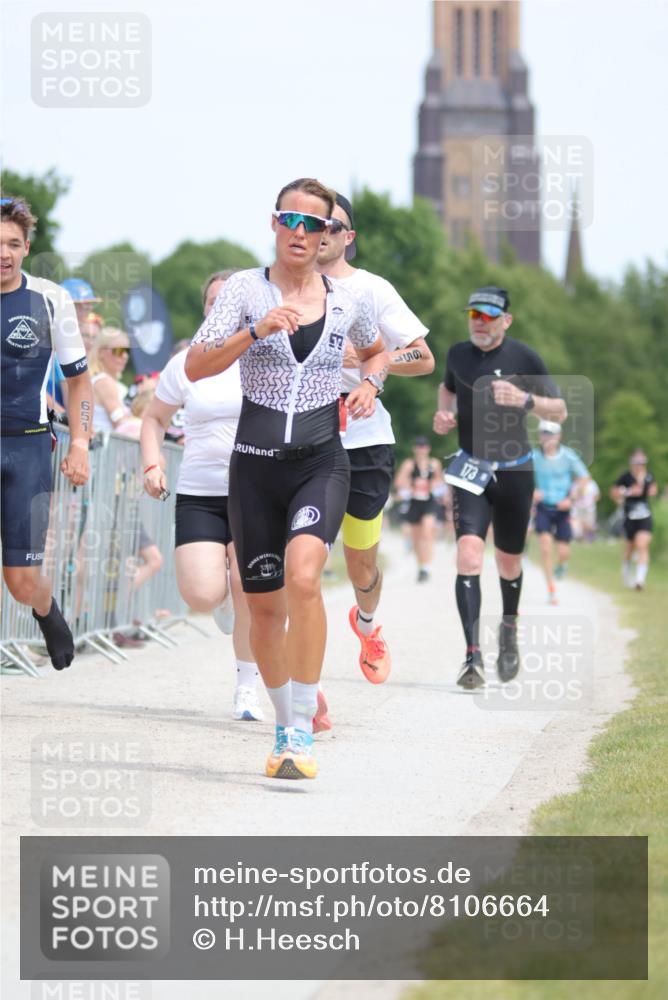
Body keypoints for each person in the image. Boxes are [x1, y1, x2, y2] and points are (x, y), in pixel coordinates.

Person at [186, 177, 388, 780]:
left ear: (330, 235)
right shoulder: (244, 291)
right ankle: (283, 728)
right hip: (253, 466)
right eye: (288, 220)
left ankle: (302, 727)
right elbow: (197, 364)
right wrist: (255, 331)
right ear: (274, 224)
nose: (300, 233)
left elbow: (377, 351)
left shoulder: (349, 301)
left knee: (305, 577)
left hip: (321, 460)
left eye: (313, 225)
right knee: (266, 610)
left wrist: (372, 385)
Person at [315, 193, 433, 683]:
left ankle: (366, 625)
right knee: (303, 564)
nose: (321, 233)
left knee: (361, 565)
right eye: (310, 223)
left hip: (364, 438)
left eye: (333, 226)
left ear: (349, 237)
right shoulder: (280, 290)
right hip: (305, 436)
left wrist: (365, 364)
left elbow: (422, 358)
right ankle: (305, 688)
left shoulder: (372, 289)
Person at [141, 268, 264, 722]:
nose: (221, 310)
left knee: (247, 586)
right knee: (201, 595)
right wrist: (152, 464)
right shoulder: (186, 363)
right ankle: (226, 593)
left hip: (254, 492)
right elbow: (153, 419)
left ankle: (247, 688)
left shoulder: (264, 357)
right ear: (205, 310)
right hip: (200, 491)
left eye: (230, 302)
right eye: (214, 302)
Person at [433, 286, 566, 689]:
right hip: (470, 469)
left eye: (489, 316)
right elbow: (447, 389)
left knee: (509, 562)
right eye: (474, 314)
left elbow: (558, 409)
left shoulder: (524, 358)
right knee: (468, 555)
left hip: (515, 471)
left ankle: (509, 627)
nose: (480, 322)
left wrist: (526, 400)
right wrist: (444, 412)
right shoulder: (457, 354)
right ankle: (472, 656)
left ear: (505, 320)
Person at [1, 195, 92, 670]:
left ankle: (44, 609)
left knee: (20, 579)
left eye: (13, 243)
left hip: (29, 448)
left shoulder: (50, 299)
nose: (4, 253)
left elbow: (79, 381)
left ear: (27, 246)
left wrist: (79, 443)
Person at [531, 420, 590, 605]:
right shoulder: (533, 456)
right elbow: (521, 478)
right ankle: (551, 590)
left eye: (550, 434)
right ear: (539, 436)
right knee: (546, 547)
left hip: (563, 509)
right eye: (543, 434)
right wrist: (532, 491)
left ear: (558, 436)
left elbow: (584, 478)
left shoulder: (568, 456)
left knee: (564, 552)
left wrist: (571, 499)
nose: (546, 438)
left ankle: (561, 565)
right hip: (543, 509)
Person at [393, 437, 443, 582]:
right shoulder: (409, 465)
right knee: (416, 539)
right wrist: (412, 485)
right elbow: (398, 482)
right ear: (415, 448)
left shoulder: (434, 464)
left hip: (429, 501)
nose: (421, 449)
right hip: (414, 502)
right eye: (419, 446)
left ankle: (426, 567)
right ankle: (420, 566)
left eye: (424, 446)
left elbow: (439, 480)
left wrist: (431, 484)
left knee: (427, 534)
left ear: (428, 449)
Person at [611, 450, 658, 591]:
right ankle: (626, 572)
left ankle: (639, 579)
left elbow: (653, 491)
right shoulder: (625, 477)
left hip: (644, 516)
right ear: (632, 464)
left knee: (642, 545)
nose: (639, 466)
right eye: (637, 463)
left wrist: (645, 487)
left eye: (642, 463)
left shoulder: (649, 477)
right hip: (629, 516)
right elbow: (614, 492)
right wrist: (628, 492)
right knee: (629, 548)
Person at [89, 326, 132, 432]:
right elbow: (120, 423)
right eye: (118, 351)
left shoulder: (110, 383)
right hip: (102, 447)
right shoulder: (104, 382)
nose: (125, 356)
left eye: (127, 351)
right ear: (100, 353)